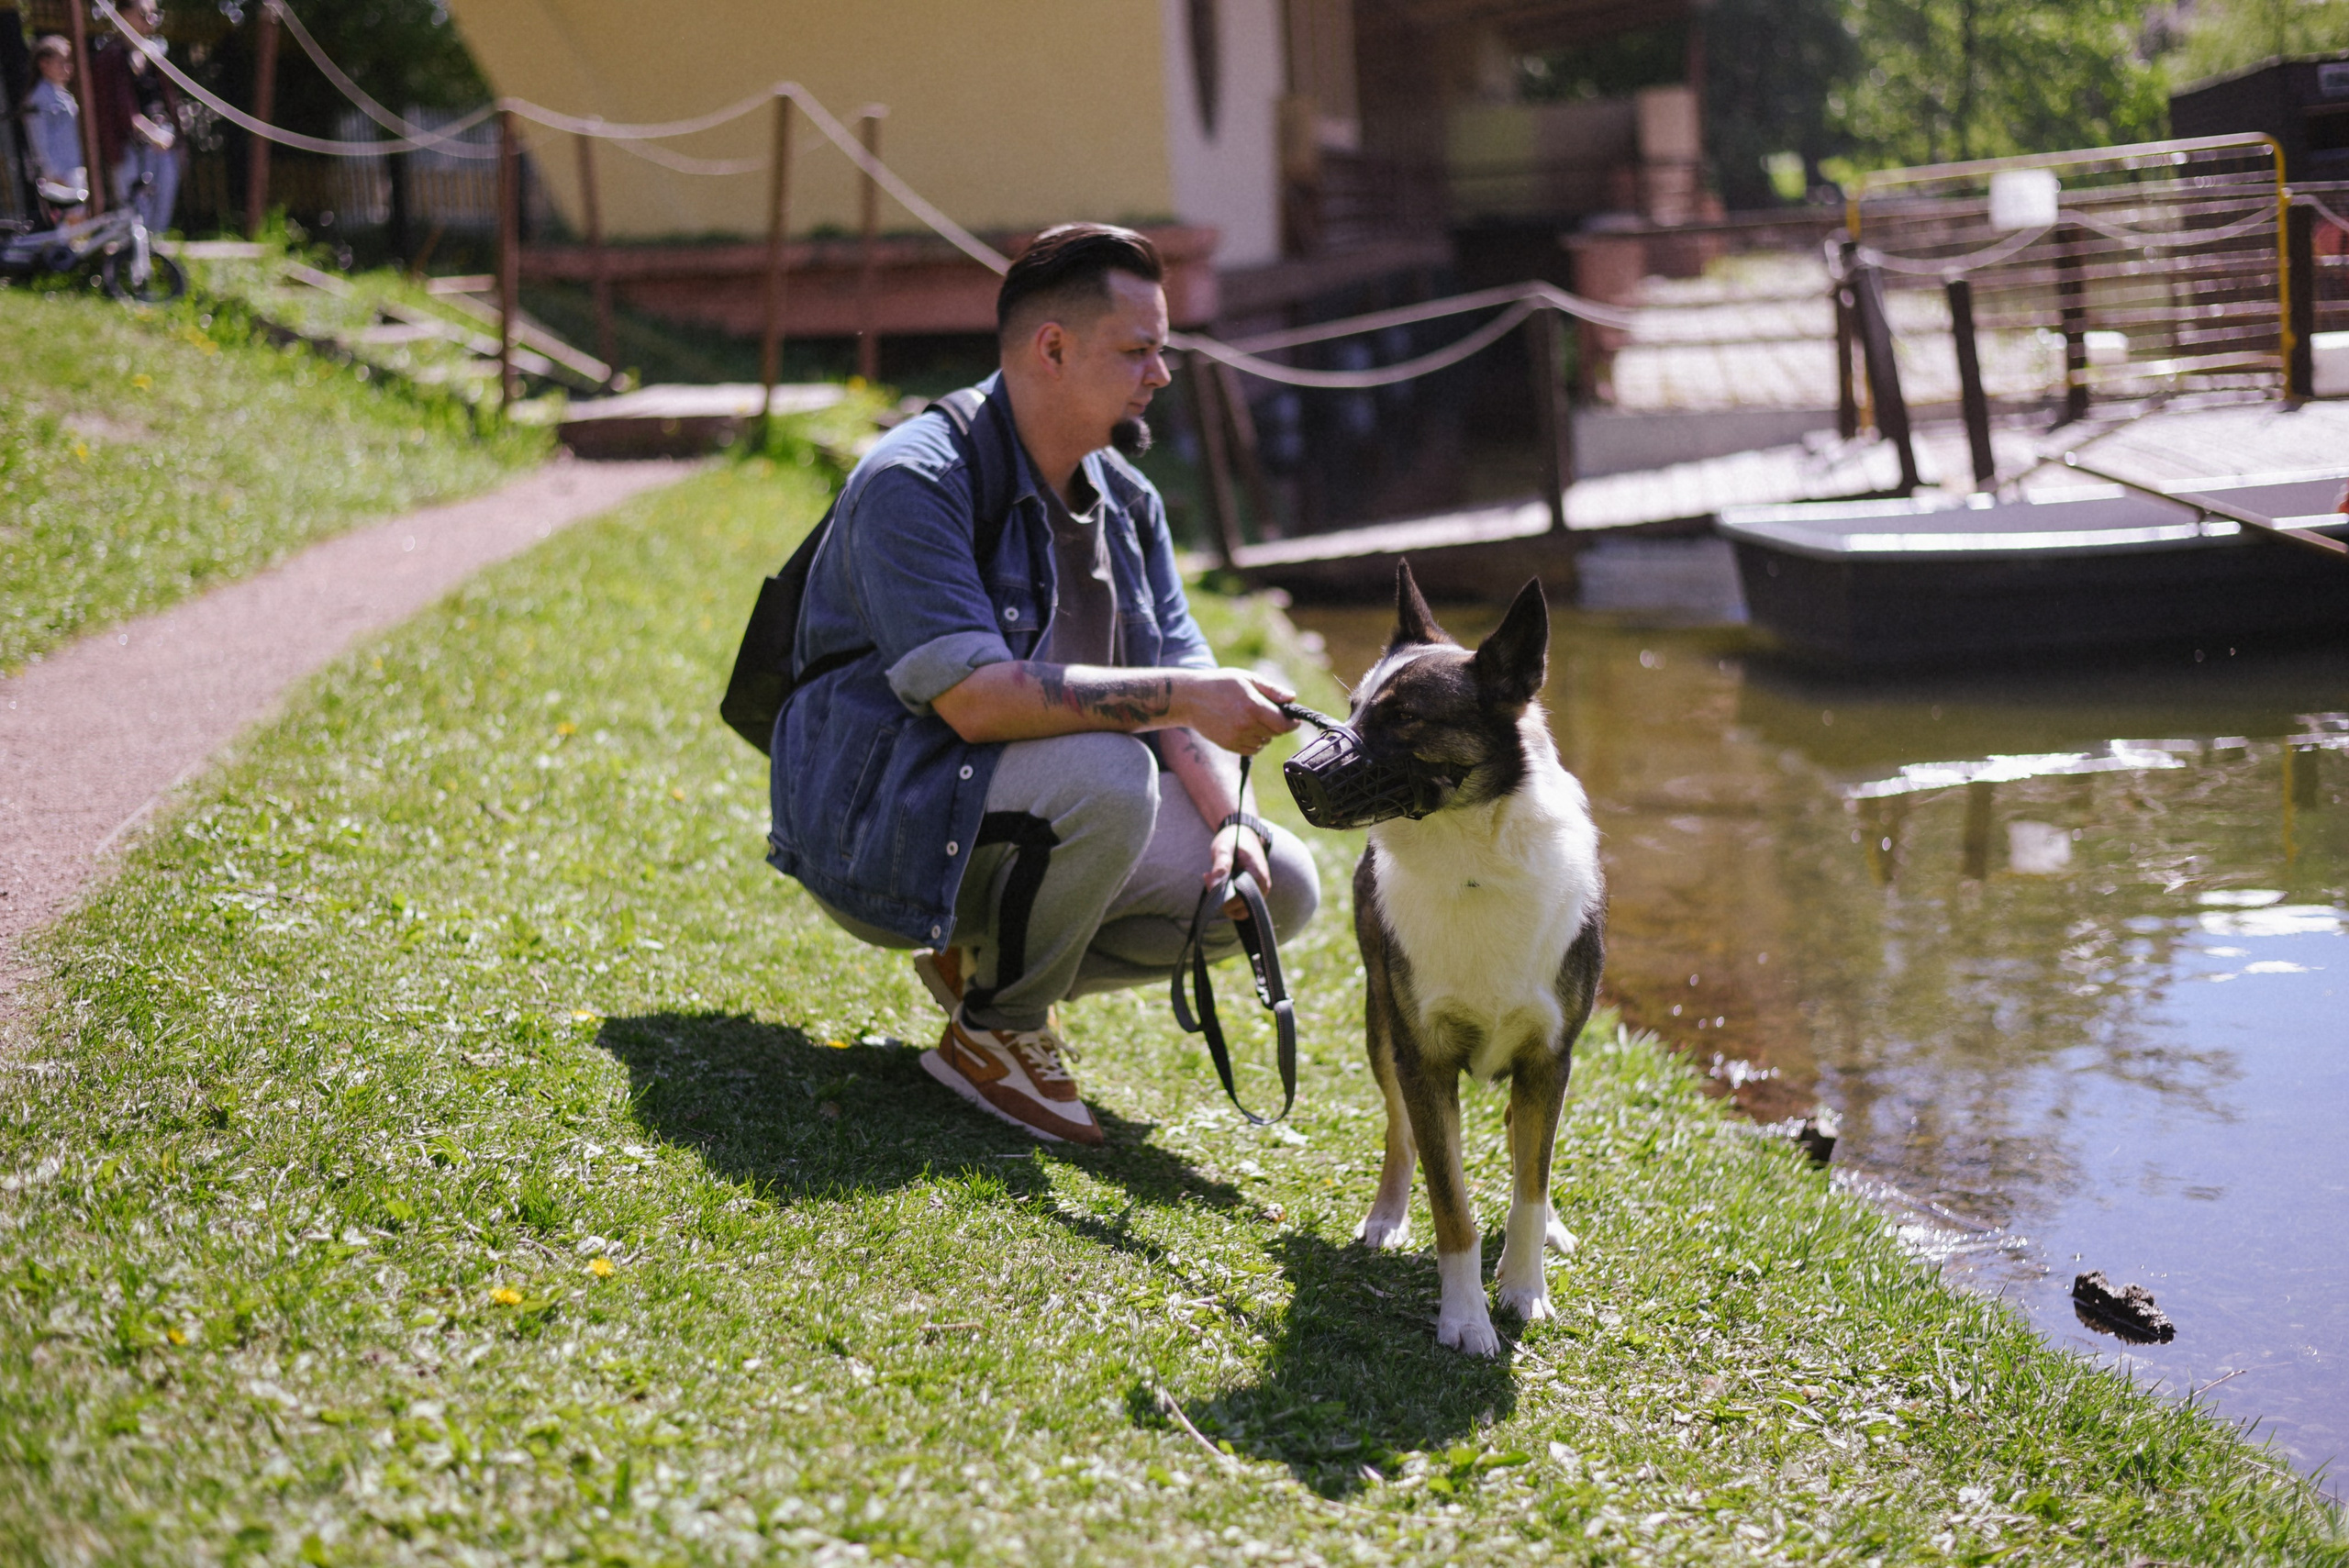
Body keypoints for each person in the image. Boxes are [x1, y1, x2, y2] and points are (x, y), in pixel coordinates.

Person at [768, 223, 1319, 1146]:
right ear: (1051, 349)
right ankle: (995, 1032)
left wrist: (1228, 826)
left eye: (1164, 349)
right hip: (876, 826)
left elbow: (1179, 672)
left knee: (1280, 887)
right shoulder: (917, 477)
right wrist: (1187, 699)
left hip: (1013, 813)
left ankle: (987, 973)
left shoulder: (1128, 502)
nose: (1161, 374)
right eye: (1138, 350)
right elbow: (978, 700)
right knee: (1110, 774)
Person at [88, 0, 178, 235]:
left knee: (162, 200)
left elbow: (166, 102)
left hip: (160, 144)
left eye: (154, 15)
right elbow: (117, 111)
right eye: (143, 14)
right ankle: (130, 259)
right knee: (134, 208)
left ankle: (156, 257)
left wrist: (168, 135)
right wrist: (151, 133)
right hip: (127, 146)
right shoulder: (110, 58)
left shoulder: (154, 56)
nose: (150, 21)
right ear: (123, 15)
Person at [17, 35, 86, 213]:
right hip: (59, 174)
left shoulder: (64, 95)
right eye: (62, 62)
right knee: (68, 223)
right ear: (44, 64)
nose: (68, 68)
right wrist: (51, 173)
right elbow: (37, 138)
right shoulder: (38, 98)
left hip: (73, 166)